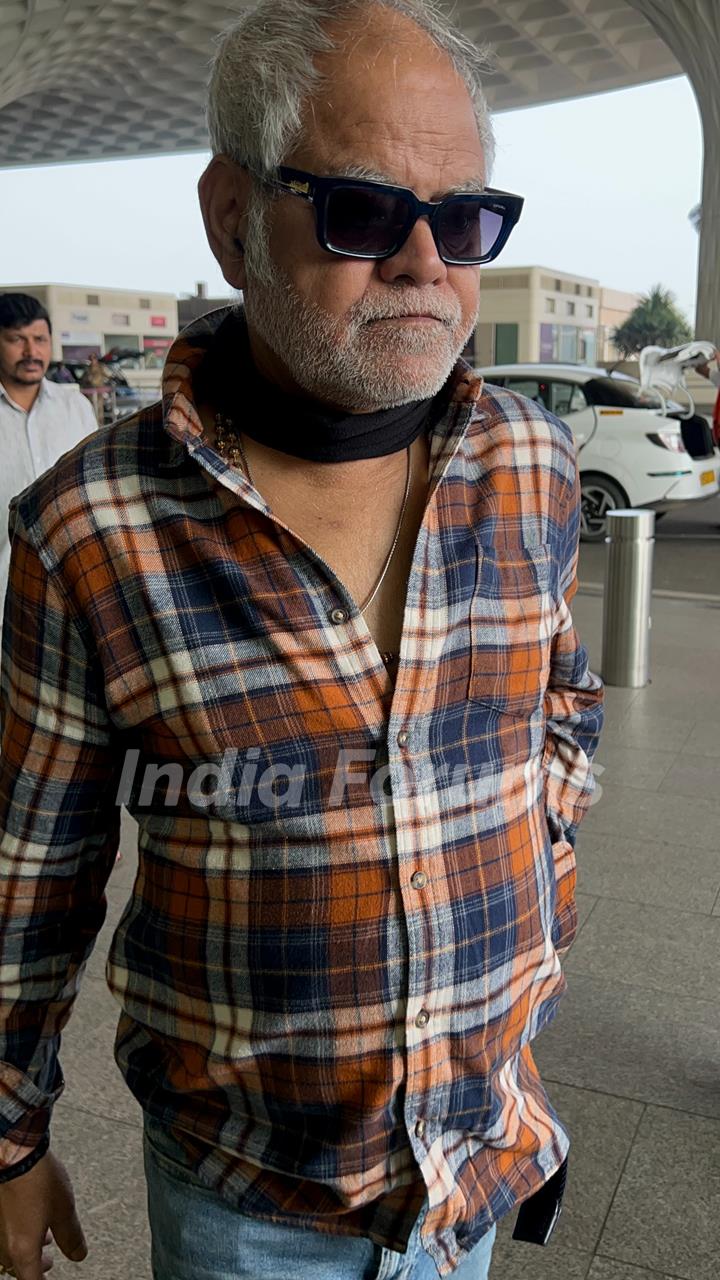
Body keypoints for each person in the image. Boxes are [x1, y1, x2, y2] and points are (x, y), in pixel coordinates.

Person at [0, 2, 604, 1278]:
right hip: (249, 1209)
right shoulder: (89, 526)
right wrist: (6, 1140)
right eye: (366, 213)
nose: (426, 262)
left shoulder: (533, 467)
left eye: (467, 218)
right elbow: (28, 879)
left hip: (482, 1168)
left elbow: (562, 705)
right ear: (232, 220)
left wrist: (538, 867)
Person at [0, 292, 97, 612]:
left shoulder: (76, 408)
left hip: (69, 598)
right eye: (17, 339)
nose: (31, 351)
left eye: (40, 339)